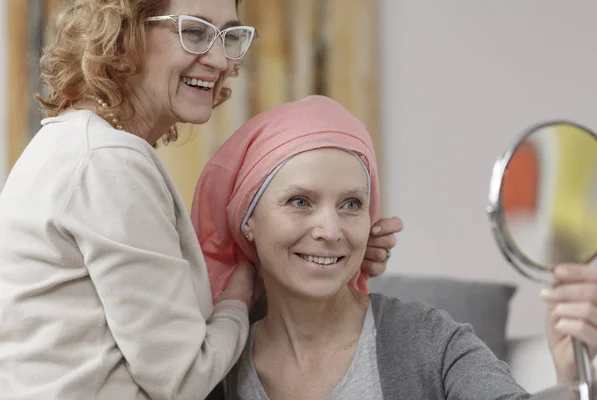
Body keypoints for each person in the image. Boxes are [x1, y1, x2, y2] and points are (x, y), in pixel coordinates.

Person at [0, 1, 401, 399]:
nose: (219, 59)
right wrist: (238, 296)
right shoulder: (108, 162)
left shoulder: (77, 145)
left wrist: (320, 259)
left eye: (229, 36)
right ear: (123, 35)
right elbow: (184, 377)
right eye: (194, 32)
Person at [192, 95, 597, 400]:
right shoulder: (215, 363)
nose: (331, 230)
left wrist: (569, 378)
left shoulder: (430, 340)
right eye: (300, 201)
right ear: (247, 218)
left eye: (351, 204)